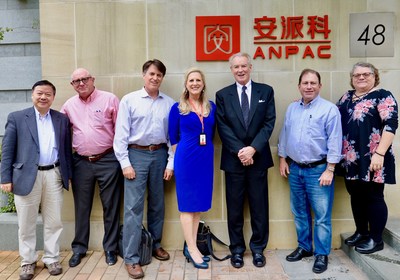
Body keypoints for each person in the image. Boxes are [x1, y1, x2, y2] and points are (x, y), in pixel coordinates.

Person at [0, 80, 72, 280]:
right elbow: (7, 151)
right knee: (26, 223)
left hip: (54, 174)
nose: (43, 97)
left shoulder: (61, 119)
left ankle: (52, 258)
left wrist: (68, 175)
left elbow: (67, 150)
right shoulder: (17, 118)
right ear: (33, 95)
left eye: (48, 94)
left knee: (54, 221)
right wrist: (5, 177)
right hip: (26, 176)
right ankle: (27, 261)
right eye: (40, 93)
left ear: (53, 97)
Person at [113, 59, 175, 279]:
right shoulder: (129, 100)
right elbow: (120, 135)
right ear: (143, 75)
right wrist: (125, 163)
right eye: (151, 74)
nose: (155, 78)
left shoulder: (169, 103)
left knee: (158, 204)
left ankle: (155, 244)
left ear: (162, 78)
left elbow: (172, 138)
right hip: (136, 155)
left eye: (159, 75)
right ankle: (131, 257)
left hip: (159, 154)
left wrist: (170, 163)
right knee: (132, 208)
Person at [278, 69, 342, 274]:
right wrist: (282, 158)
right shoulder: (292, 108)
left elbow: (335, 140)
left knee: (322, 215)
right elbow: (285, 133)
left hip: (319, 170)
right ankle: (304, 247)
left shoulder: (329, 109)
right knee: (299, 212)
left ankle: (321, 254)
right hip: (295, 168)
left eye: (313, 83)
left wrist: (330, 169)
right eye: (305, 83)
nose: (309, 86)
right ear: (299, 86)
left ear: (320, 86)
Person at [216, 52, 275, 269]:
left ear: (250, 67)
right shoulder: (223, 95)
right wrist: (241, 151)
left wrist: (252, 149)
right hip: (234, 161)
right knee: (234, 209)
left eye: (243, 66)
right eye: (236, 67)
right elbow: (223, 127)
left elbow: (269, 123)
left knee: (259, 207)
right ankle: (237, 250)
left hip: (258, 159)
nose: (240, 70)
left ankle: (258, 249)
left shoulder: (265, 91)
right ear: (231, 70)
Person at [61, 68, 122, 267]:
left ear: (92, 79)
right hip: (80, 163)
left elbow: (121, 130)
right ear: (72, 85)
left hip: (108, 159)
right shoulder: (69, 106)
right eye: (76, 81)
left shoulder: (109, 99)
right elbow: (61, 135)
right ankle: (79, 248)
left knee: (110, 206)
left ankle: (110, 249)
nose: (81, 83)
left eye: (84, 79)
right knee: (81, 207)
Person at [337, 62, 398, 254]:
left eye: (365, 74)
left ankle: (376, 239)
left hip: (374, 158)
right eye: (357, 75)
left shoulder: (383, 96)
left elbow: (390, 125)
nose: (361, 77)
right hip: (350, 158)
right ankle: (362, 232)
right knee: (356, 195)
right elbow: (332, 117)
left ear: (375, 76)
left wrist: (379, 153)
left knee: (374, 196)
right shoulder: (346, 97)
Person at [168, 68, 216, 269]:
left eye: (198, 80)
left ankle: (192, 246)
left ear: (203, 83)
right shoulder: (177, 108)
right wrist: (178, 160)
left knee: (198, 207)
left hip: (205, 160)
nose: (195, 83)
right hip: (187, 160)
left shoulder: (211, 107)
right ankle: (193, 249)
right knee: (188, 206)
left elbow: (213, 132)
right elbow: (173, 137)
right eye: (191, 80)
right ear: (186, 84)